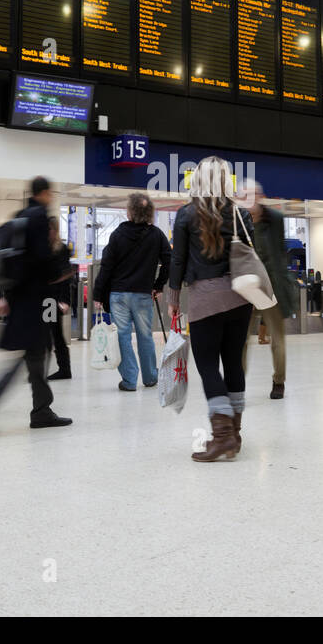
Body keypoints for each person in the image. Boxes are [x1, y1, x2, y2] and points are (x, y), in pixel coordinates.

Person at [0, 178, 72, 432]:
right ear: (44, 193)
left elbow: (16, 260)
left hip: (21, 298)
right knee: (30, 357)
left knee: (34, 356)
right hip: (36, 300)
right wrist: (59, 272)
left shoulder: (19, 216)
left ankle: (41, 410)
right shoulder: (39, 217)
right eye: (50, 193)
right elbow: (42, 258)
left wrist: (7, 297)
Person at [166, 156, 255, 462]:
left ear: (198, 180)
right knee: (233, 363)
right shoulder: (242, 214)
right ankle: (235, 432)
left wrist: (173, 298)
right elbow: (251, 256)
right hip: (241, 299)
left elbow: (177, 260)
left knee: (206, 364)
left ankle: (222, 436)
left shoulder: (186, 214)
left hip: (205, 298)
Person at [92, 192, 169, 392]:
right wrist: (158, 285)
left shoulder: (118, 234)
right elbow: (170, 262)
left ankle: (129, 380)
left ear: (129, 212)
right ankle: (150, 377)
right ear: (149, 213)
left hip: (118, 295)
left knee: (122, 337)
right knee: (145, 336)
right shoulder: (157, 235)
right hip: (143, 294)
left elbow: (107, 266)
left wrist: (97, 295)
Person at [240, 180, 296, 400]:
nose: (249, 200)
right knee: (241, 341)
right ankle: (238, 384)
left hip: (272, 288)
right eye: (244, 196)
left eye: (252, 195)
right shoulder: (237, 222)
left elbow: (279, 256)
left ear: (260, 196)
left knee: (277, 339)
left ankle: (278, 382)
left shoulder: (275, 219)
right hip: (246, 289)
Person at [46, 217, 74, 381]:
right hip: (45, 298)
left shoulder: (60, 249)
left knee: (55, 333)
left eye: (50, 229)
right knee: (46, 333)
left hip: (53, 299)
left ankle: (64, 368)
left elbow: (66, 276)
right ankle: (44, 369)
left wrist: (65, 300)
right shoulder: (44, 248)